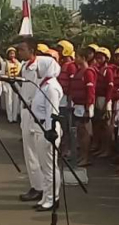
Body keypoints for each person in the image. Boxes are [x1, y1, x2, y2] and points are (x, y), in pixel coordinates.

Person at [31, 56, 64, 211]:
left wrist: (50, 130)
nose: (36, 70)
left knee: (50, 167)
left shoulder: (51, 87)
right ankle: (46, 195)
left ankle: (52, 198)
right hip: (40, 128)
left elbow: (52, 111)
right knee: (44, 167)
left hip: (47, 129)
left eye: (38, 67)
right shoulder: (43, 84)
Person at [17, 37, 44, 202]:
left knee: (38, 151)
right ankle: (36, 185)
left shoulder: (39, 68)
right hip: (26, 111)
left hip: (37, 113)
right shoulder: (24, 67)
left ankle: (43, 188)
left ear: (32, 51)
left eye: (22, 49)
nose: (20, 52)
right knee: (29, 152)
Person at [70, 47, 98, 167]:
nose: (75, 59)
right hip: (77, 105)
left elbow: (90, 90)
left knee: (85, 131)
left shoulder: (88, 72)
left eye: (77, 57)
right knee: (80, 132)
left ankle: (85, 157)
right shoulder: (78, 71)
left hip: (84, 106)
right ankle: (82, 155)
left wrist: (88, 107)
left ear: (83, 58)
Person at [92, 47, 115, 158]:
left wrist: (107, 102)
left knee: (106, 125)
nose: (99, 59)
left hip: (105, 99)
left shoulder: (108, 70)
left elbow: (110, 86)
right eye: (97, 57)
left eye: (101, 57)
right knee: (99, 125)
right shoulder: (98, 69)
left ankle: (107, 149)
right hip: (98, 98)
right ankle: (101, 148)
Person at [57, 40, 77, 156]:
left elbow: (72, 84)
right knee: (61, 124)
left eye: (61, 49)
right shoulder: (61, 64)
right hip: (60, 99)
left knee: (67, 125)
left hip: (67, 100)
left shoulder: (71, 66)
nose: (59, 51)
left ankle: (68, 149)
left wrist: (70, 100)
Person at [3, 47, 22, 123]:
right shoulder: (5, 63)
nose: (12, 55)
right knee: (9, 100)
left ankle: (14, 118)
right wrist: (4, 84)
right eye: (10, 53)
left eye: (13, 53)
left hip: (16, 82)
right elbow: (2, 74)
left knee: (16, 100)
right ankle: (9, 117)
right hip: (8, 82)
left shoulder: (18, 63)